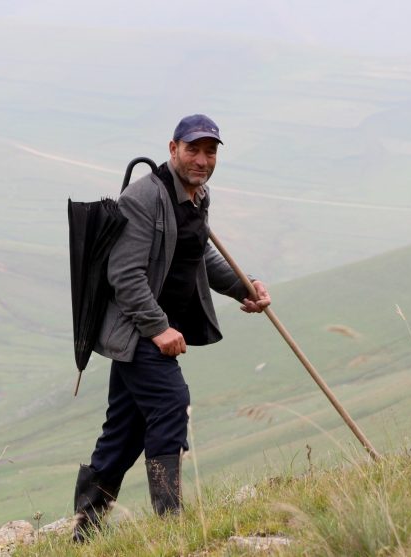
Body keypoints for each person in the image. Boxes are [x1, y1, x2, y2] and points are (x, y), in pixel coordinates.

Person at [72, 114, 271, 541]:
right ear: (173, 148)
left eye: (210, 152)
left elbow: (198, 256)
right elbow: (124, 275)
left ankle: (84, 532)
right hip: (138, 330)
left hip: (155, 329)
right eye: (193, 149)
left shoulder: (196, 196)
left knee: (124, 433)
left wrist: (244, 286)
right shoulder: (144, 198)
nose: (202, 160)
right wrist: (159, 328)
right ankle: (171, 524)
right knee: (171, 404)